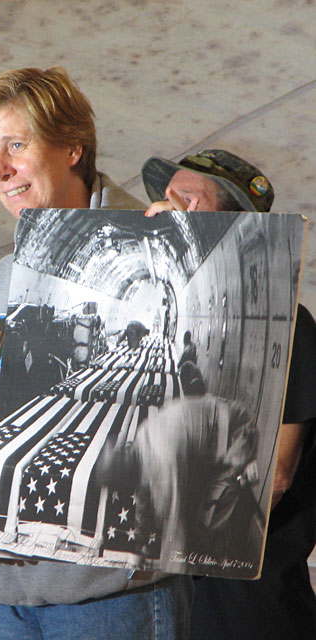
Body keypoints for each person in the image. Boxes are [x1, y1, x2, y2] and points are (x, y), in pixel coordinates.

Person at [0, 67, 193, 640]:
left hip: (112, 597)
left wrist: (190, 256)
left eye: (15, 145)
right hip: (6, 598)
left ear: (72, 147)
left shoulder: (161, 247)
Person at [141, 149, 316, 639]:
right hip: (163, 598)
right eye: (166, 195)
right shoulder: (159, 323)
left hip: (244, 607)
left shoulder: (284, 323)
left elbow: (275, 477)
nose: (168, 204)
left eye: (188, 198)